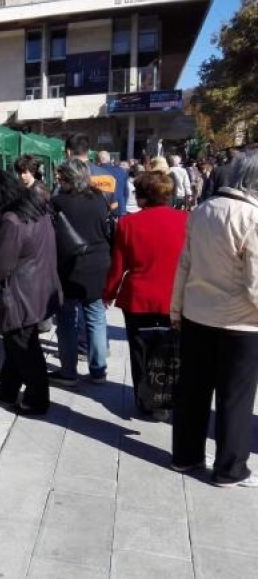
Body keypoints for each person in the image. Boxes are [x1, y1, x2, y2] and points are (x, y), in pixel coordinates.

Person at [170, 152, 258, 487]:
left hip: (197, 314)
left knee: (193, 389)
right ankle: (230, 468)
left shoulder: (202, 210)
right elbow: (256, 284)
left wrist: (175, 310)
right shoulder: (252, 217)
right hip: (241, 324)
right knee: (235, 396)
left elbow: (185, 265)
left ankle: (185, 455)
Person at [103, 171, 187, 419]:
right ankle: (169, 394)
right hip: (176, 296)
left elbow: (118, 265)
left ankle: (145, 397)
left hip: (139, 297)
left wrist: (108, 292)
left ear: (141, 196)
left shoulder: (128, 224)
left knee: (141, 350)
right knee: (173, 349)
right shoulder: (187, 220)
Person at [0, 171, 61, 415]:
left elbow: (0, 264)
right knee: (15, 342)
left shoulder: (11, 221)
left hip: (20, 293)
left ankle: (37, 399)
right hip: (39, 286)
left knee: (24, 346)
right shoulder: (36, 209)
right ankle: (7, 387)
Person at [50, 158, 111, 387]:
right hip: (99, 261)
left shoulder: (58, 202)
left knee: (67, 319)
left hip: (70, 265)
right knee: (95, 315)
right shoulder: (98, 197)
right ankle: (98, 371)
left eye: (61, 177)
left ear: (68, 178)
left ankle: (68, 372)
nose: (58, 180)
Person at [65, 135, 127, 216]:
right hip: (102, 223)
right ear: (87, 151)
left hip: (73, 224)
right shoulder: (107, 175)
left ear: (68, 152)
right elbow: (114, 205)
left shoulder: (66, 175)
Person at [97, 150, 130, 216]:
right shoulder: (121, 171)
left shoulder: (97, 172)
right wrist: (122, 204)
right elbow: (126, 192)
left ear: (99, 160)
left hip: (104, 211)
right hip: (120, 210)